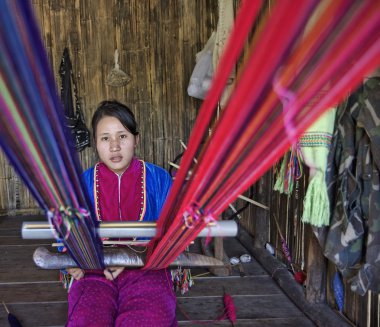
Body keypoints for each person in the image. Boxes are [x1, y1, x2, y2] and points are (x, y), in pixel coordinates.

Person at [66, 100, 177, 327]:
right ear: (95, 143)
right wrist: (71, 260)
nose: (114, 146)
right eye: (105, 138)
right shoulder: (79, 184)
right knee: (86, 320)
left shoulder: (159, 179)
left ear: (136, 139)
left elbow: (173, 234)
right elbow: (66, 233)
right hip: (93, 270)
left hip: (146, 268)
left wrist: (131, 257)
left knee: (147, 320)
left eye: (122, 136)